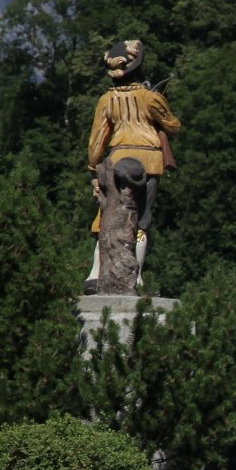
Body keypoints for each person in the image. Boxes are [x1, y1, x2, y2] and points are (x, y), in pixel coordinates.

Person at [85, 39, 181, 293]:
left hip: (117, 161)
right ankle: (135, 278)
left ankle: (94, 275)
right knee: (141, 221)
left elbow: (96, 142)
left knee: (107, 218)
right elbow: (173, 126)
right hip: (149, 163)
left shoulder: (106, 100)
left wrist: (94, 170)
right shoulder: (151, 98)